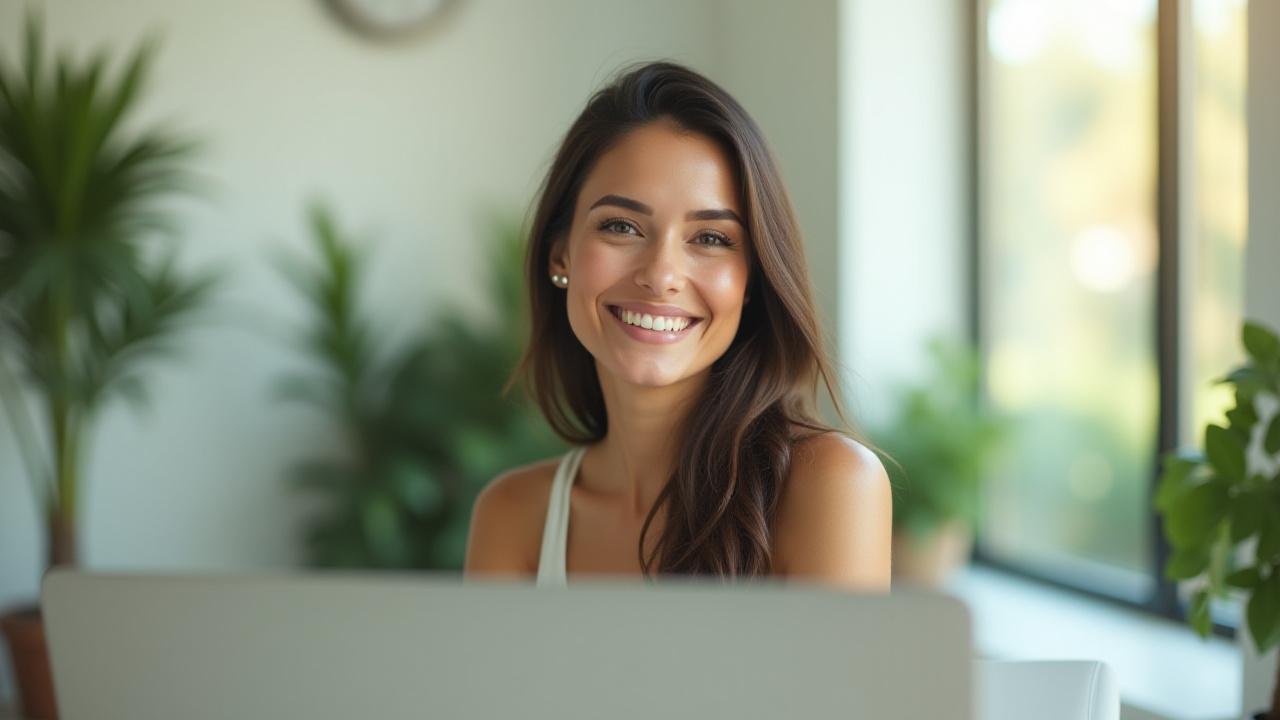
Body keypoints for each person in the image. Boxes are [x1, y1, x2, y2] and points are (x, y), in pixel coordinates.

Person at [464, 60, 891, 591]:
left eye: (710, 238)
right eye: (621, 227)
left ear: (752, 278)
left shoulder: (829, 486)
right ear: (560, 256)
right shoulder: (512, 517)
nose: (661, 275)